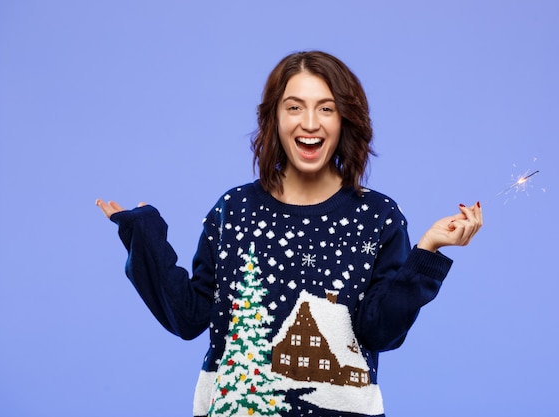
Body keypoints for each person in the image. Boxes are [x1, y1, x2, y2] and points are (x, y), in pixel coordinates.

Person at [96, 50, 482, 417]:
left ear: (345, 119)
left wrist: (427, 250)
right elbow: (189, 316)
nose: (310, 123)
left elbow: (379, 332)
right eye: (294, 106)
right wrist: (140, 234)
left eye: (326, 108)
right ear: (274, 118)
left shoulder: (378, 216)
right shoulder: (235, 210)